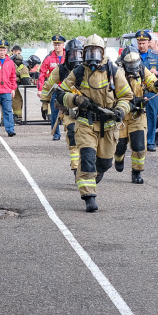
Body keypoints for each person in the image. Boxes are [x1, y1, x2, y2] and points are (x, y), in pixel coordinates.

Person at [53, 34, 133, 212]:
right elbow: (60, 94)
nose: (92, 56)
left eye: (96, 51)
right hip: (86, 123)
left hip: (109, 126)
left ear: (103, 52)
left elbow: (127, 97)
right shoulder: (79, 72)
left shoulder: (114, 71)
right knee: (87, 158)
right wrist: (76, 100)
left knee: (104, 164)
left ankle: (93, 178)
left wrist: (120, 110)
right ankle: (89, 196)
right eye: (89, 52)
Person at [115, 47, 158, 183]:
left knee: (139, 146)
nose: (133, 67)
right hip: (121, 116)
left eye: (135, 63)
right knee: (119, 145)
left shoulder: (142, 70)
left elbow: (151, 82)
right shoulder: (116, 72)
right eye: (130, 64)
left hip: (137, 114)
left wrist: (157, 84)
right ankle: (118, 158)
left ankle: (136, 172)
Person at [41, 38, 84, 175]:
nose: (75, 58)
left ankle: (90, 166)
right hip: (69, 110)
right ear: (67, 55)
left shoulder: (89, 69)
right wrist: (44, 103)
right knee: (72, 133)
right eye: (72, 54)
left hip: (87, 109)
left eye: (78, 54)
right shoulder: (60, 69)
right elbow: (48, 85)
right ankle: (75, 167)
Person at [134, 31, 158, 152]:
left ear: (148, 43)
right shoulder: (133, 55)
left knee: (152, 117)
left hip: (151, 91)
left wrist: (157, 73)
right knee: (135, 117)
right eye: (139, 43)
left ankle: (150, 142)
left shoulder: (155, 55)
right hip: (137, 91)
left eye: (143, 43)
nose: (141, 45)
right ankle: (138, 142)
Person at [39, 35, 67, 139]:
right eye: (55, 44)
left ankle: (71, 133)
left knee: (71, 112)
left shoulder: (69, 56)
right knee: (54, 112)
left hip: (68, 89)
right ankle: (56, 134)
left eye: (59, 44)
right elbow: (42, 73)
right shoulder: (49, 58)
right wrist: (40, 89)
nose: (57, 46)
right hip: (55, 89)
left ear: (63, 45)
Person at [11, 52, 31, 124]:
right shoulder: (22, 67)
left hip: (4, 86)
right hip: (10, 86)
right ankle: (17, 117)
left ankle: (4, 118)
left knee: (4, 103)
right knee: (17, 100)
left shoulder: (9, 63)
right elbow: (26, 81)